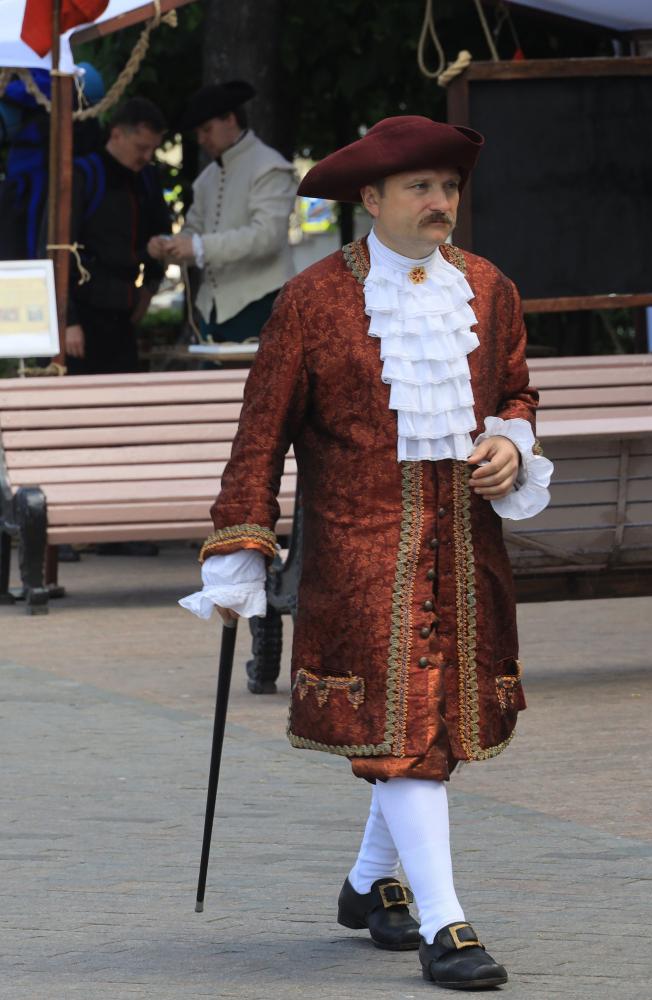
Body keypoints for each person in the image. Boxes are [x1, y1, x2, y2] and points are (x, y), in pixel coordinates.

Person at [180, 116, 553, 990]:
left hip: (466, 555)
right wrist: (240, 549)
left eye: (449, 187)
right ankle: (445, 925)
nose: (440, 202)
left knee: (433, 729)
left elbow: (514, 391)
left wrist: (511, 441)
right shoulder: (312, 301)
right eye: (420, 187)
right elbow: (260, 437)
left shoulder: (490, 288)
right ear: (371, 199)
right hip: (360, 561)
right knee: (408, 733)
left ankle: (367, 884)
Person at [148, 80, 297, 343]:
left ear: (230, 119)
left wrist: (198, 246)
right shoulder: (207, 178)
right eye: (198, 132)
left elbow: (268, 237)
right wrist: (169, 246)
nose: (201, 139)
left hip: (261, 304)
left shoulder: (269, 167)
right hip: (212, 310)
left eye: (207, 129)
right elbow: (193, 232)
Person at [62, 96, 171, 375]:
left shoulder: (147, 178)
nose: (147, 157)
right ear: (117, 135)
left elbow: (162, 235)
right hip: (82, 312)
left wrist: (149, 289)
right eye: (141, 147)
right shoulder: (83, 175)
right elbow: (57, 249)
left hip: (124, 314)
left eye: (153, 149)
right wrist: (68, 321)